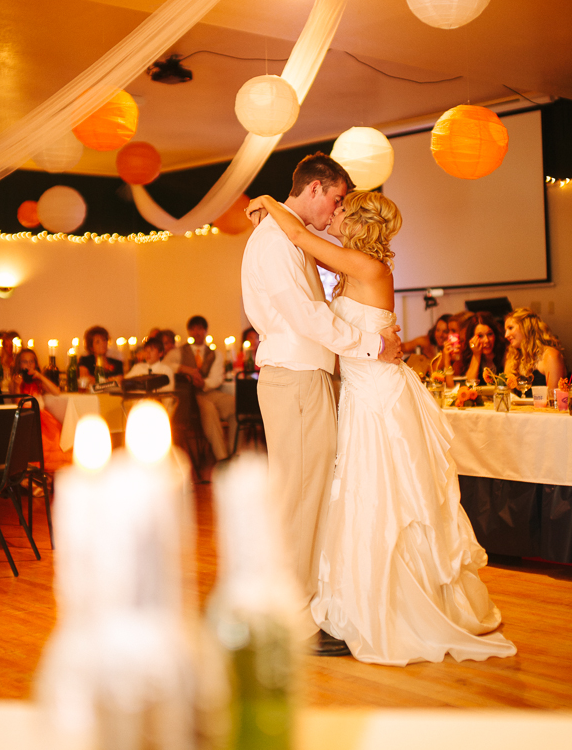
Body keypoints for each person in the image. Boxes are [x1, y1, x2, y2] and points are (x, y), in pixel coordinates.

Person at [246, 188, 516, 665]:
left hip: (377, 399)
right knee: (360, 498)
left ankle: (394, 607)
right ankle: (353, 601)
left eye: (343, 211)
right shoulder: (353, 267)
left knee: (385, 499)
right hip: (359, 395)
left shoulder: (367, 269)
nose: (335, 215)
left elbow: (294, 233)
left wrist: (268, 199)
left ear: (359, 222)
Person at [241, 152, 402, 656]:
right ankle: (294, 622)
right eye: (334, 199)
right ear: (314, 189)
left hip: (302, 378)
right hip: (295, 378)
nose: (336, 213)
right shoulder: (274, 243)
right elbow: (308, 318)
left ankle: (302, 608)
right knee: (299, 497)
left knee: (305, 496)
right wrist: (374, 346)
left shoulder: (281, 234)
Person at [178, 315, 236, 462]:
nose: (196, 332)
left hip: (209, 390)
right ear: (189, 331)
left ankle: (235, 452)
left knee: (235, 404)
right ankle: (222, 457)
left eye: (200, 329)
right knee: (209, 409)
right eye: (193, 329)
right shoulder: (180, 352)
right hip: (190, 395)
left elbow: (216, 378)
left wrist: (204, 383)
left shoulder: (215, 354)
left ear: (205, 331)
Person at [11, 349, 66, 472]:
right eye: (25, 362)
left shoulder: (38, 382)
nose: (29, 365)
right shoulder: (16, 381)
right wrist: (17, 386)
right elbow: (17, 403)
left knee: (55, 437)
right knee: (38, 441)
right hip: (26, 418)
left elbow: (56, 392)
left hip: (42, 417)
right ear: (19, 364)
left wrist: (40, 376)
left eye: (31, 361)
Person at [504, 307, 567, 390]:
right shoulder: (513, 356)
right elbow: (505, 392)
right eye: (505, 330)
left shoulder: (550, 356)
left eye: (510, 328)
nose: (506, 335)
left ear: (526, 327)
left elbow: (554, 398)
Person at [461, 313, 507, 385]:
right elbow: (469, 385)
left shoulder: (505, 351)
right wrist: (476, 355)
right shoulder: (468, 356)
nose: (487, 340)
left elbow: (507, 385)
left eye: (490, 334)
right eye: (480, 336)